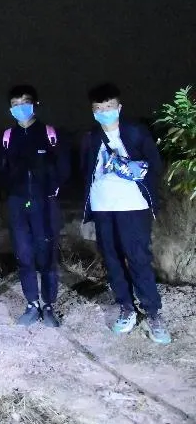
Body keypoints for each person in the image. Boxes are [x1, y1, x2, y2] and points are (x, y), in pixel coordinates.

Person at [81, 83, 171, 344]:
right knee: (112, 260)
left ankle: (153, 312)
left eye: (109, 107)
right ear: (93, 112)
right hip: (102, 207)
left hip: (133, 206)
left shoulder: (135, 131)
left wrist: (135, 167)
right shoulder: (90, 137)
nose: (104, 112)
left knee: (139, 258)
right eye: (99, 108)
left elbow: (155, 164)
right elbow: (84, 171)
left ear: (119, 108)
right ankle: (126, 307)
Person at [0, 85, 70, 327]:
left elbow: (63, 167)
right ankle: (31, 304)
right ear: (10, 108)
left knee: (47, 255)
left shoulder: (50, 133)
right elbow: (0, 170)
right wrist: (12, 190)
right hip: (17, 204)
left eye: (25, 102)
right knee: (24, 254)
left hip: (45, 203)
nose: (20, 108)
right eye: (15, 104)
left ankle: (48, 305)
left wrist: (52, 189)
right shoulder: (7, 137)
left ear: (35, 104)